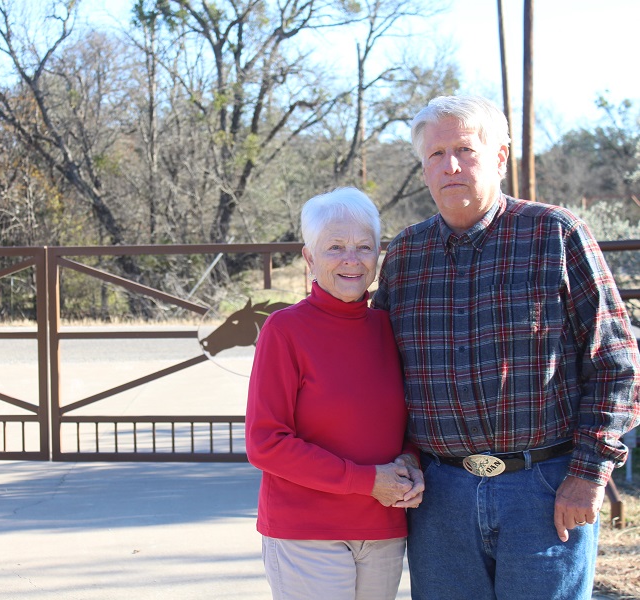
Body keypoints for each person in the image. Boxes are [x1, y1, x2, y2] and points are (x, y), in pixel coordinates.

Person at [371, 94, 640, 600]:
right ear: (423, 168)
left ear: (499, 156)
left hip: (545, 487)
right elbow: (381, 374)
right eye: (435, 154)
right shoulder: (405, 255)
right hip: (441, 496)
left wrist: (588, 475)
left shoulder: (555, 235)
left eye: (465, 150)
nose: (450, 166)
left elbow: (616, 364)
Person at [246, 187, 424, 600]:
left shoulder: (389, 328)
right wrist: (366, 481)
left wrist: (410, 461)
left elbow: (412, 423)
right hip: (307, 532)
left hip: (382, 528)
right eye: (335, 247)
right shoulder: (284, 330)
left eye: (364, 247)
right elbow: (265, 443)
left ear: (378, 256)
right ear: (309, 258)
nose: (351, 259)